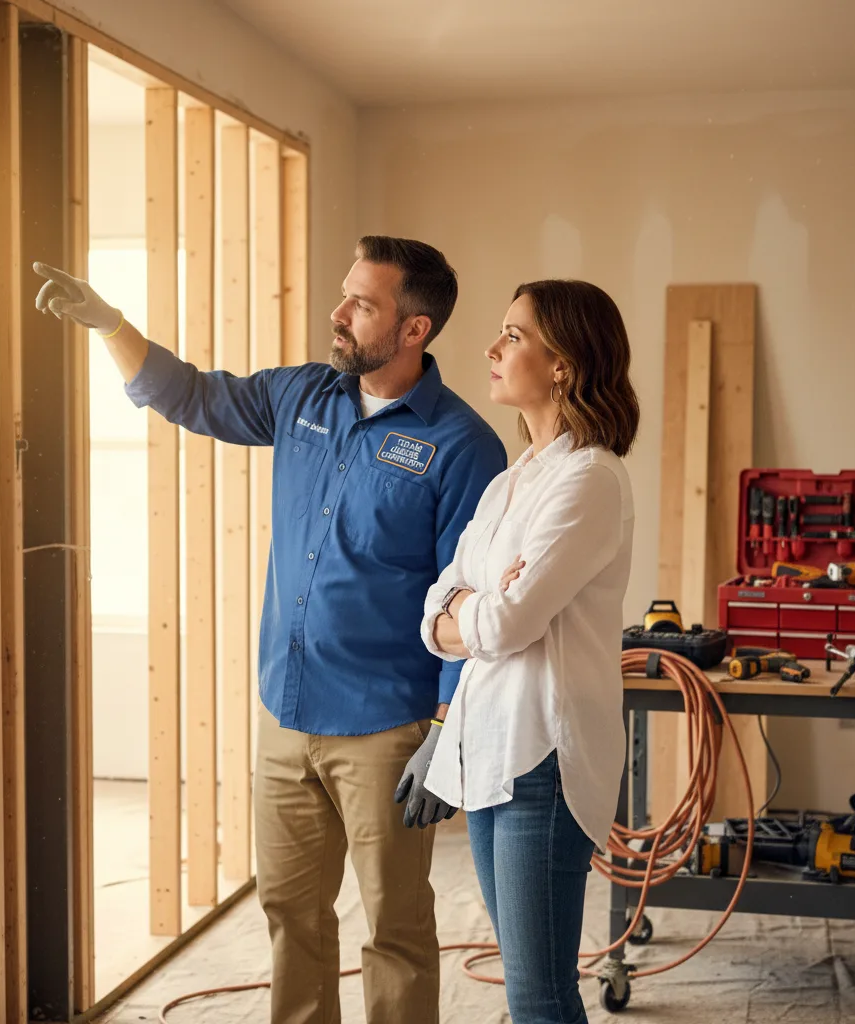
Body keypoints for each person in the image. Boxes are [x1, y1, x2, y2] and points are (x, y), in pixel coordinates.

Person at [32, 237, 506, 1024]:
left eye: (362, 302)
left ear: (415, 328)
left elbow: (472, 601)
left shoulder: (462, 447)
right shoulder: (302, 398)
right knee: (291, 916)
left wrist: (445, 735)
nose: (338, 311)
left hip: (388, 729)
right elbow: (190, 395)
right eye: (344, 293)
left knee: (395, 928)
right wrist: (109, 323)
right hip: (286, 717)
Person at [419, 279, 639, 1024]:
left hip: (541, 760)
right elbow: (437, 602)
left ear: (563, 366)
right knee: (525, 984)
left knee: (540, 996)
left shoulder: (590, 480)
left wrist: (471, 606)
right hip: (490, 753)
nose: (491, 347)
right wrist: (469, 605)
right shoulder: (513, 482)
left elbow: (505, 624)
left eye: (513, 335)